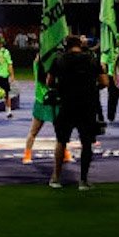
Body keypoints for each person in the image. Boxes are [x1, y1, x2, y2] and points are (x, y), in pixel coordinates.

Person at [46, 35, 106, 190]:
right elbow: (104, 82)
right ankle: (83, 181)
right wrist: (91, 87)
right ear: (80, 44)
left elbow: (49, 82)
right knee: (86, 143)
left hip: (66, 105)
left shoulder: (59, 60)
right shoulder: (92, 59)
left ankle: (56, 178)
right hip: (87, 106)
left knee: (61, 141)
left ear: (66, 46)